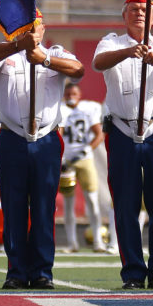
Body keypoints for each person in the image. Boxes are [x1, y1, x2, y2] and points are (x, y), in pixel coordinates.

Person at [95, 0, 153, 290]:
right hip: (122, 129)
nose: (139, 13)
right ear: (124, 15)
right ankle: (133, 271)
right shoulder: (112, 41)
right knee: (126, 204)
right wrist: (128, 52)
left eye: (145, 9)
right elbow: (99, 63)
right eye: (133, 9)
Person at [0, 11, 84, 289]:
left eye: (35, 26)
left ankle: (43, 270)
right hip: (12, 138)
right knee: (13, 208)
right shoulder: (6, 53)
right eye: (24, 26)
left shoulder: (54, 52)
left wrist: (43, 59)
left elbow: (78, 70)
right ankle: (16, 270)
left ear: (43, 28)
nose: (30, 31)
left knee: (44, 208)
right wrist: (17, 46)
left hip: (45, 140)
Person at [59, 82, 105, 253]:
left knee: (92, 200)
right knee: (68, 202)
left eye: (74, 93)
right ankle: (72, 243)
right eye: (68, 93)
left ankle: (98, 242)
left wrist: (88, 148)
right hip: (67, 161)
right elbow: (59, 134)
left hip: (85, 159)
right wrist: (61, 156)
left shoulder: (88, 108)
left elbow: (99, 133)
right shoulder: (61, 110)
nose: (71, 96)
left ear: (80, 94)